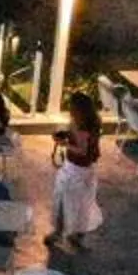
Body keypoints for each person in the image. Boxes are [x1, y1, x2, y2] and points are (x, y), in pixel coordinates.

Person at [49, 91, 107, 252]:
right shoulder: (89, 123)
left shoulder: (84, 127)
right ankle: (66, 235)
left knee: (71, 203)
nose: (70, 110)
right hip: (77, 168)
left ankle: (66, 235)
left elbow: (83, 151)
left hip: (79, 170)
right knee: (76, 203)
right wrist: (64, 135)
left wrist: (65, 144)